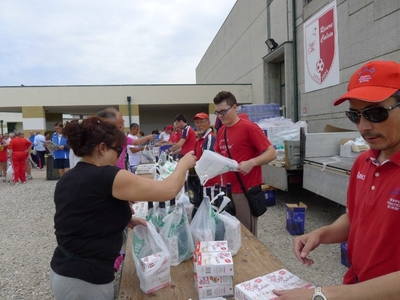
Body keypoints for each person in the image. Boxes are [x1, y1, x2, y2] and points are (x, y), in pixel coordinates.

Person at [273, 60, 400, 300]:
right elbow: (356, 218)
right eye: (355, 115)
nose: (363, 126)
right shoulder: (364, 162)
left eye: (375, 113)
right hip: (357, 285)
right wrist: (322, 233)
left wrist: (321, 295)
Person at [49, 115, 196, 300]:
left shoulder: (69, 178)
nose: (120, 156)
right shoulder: (107, 176)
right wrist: (183, 165)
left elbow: (85, 213)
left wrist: (125, 218)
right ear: (102, 148)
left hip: (63, 270)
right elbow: (168, 190)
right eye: (119, 150)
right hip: (86, 281)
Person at [213, 91, 276, 236]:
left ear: (234, 107)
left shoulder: (249, 128)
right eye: (217, 113)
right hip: (227, 191)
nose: (220, 116)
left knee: (246, 236)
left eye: (223, 111)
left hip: (245, 191)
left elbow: (271, 152)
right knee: (230, 233)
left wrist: (252, 162)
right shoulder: (222, 131)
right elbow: (218, 155)